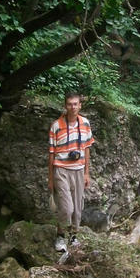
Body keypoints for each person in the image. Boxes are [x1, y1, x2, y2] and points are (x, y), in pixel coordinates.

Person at [48, 92, 94, 252]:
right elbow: (51, 153)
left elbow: (87, 149)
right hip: (61, 170)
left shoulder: (85, 123)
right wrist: (50, 178)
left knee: (78, 207)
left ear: (80, 105)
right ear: (65, 106)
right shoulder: (56, 125)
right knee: (66, 208)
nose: (73, 107)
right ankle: (60, 235)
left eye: (75, 104)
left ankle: (73, 235)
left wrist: (87, 173)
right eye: (69, 104)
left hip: (79, 170)